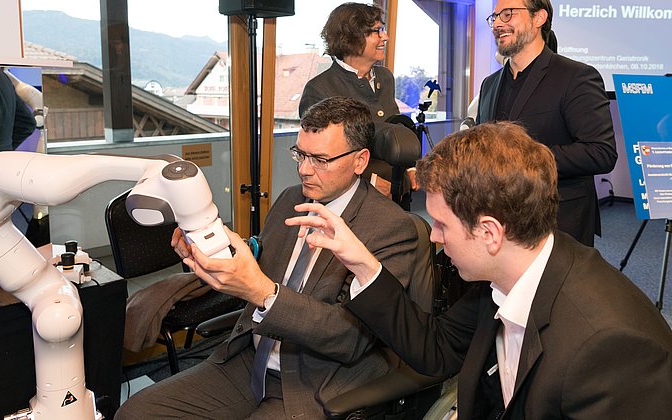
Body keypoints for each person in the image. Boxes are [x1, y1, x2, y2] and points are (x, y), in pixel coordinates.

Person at [286, 122, 672, 419]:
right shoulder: (506, 273)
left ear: (489, 232)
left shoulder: (610, 347)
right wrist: (361, 261)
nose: (435, 238)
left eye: (441, 224)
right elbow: (436, 350)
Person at [115, 97, 418, 419]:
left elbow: (349, 339)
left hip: (316, 376)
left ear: (360, 161)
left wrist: (261, 292)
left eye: (320, 159)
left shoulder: (391, 229)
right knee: (136, 413)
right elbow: (264, 256)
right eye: (300, 154)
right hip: (251, 356)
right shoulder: (292, 199)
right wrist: (214, 252)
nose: (304, 170)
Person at [476, 0, 617, 246]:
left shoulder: (576, 77)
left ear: (539, 18)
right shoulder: (489, 85)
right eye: (495, 17)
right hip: (498, 223)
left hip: (557, 224)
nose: (498, 23)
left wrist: (524, 159)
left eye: (507, 14)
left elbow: (601, 152)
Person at [300, 2, 416, 199]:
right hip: (354, 201)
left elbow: (393, 128)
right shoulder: (319, 89)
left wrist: (410, 167)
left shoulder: (385, 77)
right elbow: (319, 159)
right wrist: (369, 183)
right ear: (351, 38)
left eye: (383, 30)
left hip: (397, 193)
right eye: (377, 31)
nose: (385, 37)